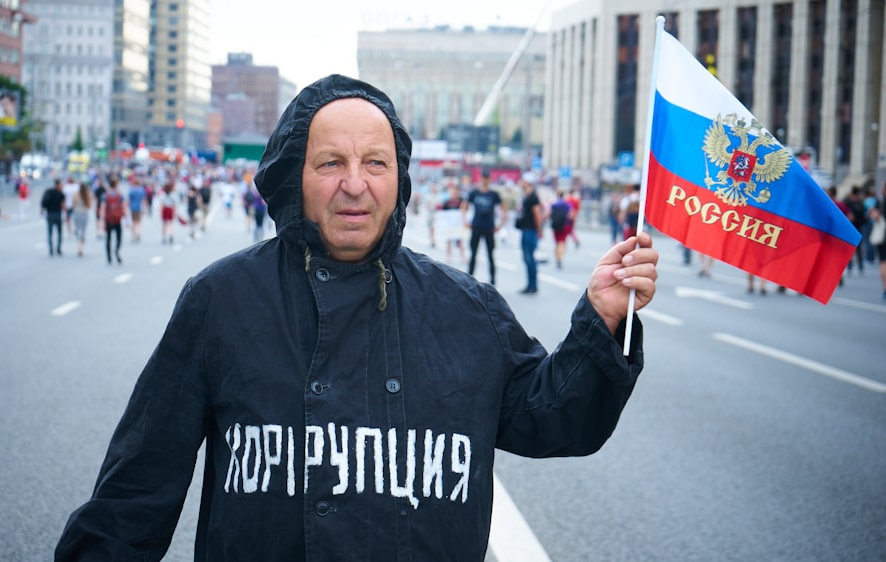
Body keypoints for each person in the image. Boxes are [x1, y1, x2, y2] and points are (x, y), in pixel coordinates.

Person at [54, 74, 659, 561]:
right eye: (329, 164)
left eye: (375, 163)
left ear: (399, 180)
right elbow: (138, 487)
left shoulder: (467, 307)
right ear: (294, 175)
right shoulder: (220, 300)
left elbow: (553, 420)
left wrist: (601, 319)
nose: (354, 185)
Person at [462, 169, 505, 285]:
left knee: (490, 254)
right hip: (476, 226)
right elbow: (464, 206)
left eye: (487, 178)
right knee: (473, 253)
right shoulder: (475, 193)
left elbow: (503, 208)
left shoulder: (493, 194)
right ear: (481, 179)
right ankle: (469, 278)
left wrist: (501, 224)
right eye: (484, 178)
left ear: (489, 179)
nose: (485, 180)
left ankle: (493, 279)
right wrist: (465, 220)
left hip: (489, 227)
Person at [516, 171, 544, 293]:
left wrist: (539, 229)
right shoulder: (527, 196)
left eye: (522, 180)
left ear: (527, 182)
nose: (520, 182)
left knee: (530, 258)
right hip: (526, 229)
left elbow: (537, 213)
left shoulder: (533, 196)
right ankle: (530, 284)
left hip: (530, 230)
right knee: (527, 258)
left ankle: (533, 285)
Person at [100, 177, 126, 264]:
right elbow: (123, 206)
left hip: (108, 219)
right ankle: (117, 251)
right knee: (118, 238)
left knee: (108, 238)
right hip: (117, 219)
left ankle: (109, 256)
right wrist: (125, 217)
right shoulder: (119, 195)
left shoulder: (105, 195)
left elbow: (103, 208)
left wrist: (102, 220)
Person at [41, 179, 66, 256]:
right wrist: (65, 214)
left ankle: (51, 249)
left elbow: (43, 202)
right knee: (59, 232)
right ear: (58, 185)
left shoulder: (48, 192)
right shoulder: (60, 194)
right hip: (57, 214)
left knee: (50, 232)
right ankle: (58, 249)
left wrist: (42, 210)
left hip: (50, 214)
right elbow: (63, 205)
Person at [549, 190, 572, 269]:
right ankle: (560, 258)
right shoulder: (567, 205)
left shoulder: (554, 204)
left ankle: (557, 257)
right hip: (564, 225)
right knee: (562, 242)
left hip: (555, 225)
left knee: (557, 242)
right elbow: (571, 215)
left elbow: (549, 214)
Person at [72, 182, 93, 257]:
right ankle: (80, 248)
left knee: (78, 230)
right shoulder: (88, 194)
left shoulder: (76, 194)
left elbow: (73, 205)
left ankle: (79, 246)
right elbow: (89, 205)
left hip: (77, 213)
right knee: (83, 231)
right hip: (84, 214)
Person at [127, 175, 145, 243]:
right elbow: (143, 200)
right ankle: (138, 233)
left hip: (132, 207)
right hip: (139, 207)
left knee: (133, 221)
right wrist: (144, 208)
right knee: (138, 222)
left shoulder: (131, 190)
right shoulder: (141, 190)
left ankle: (133, 234)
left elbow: (128, 200)